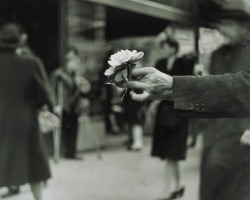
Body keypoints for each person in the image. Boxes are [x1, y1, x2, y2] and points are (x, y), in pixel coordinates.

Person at [0, 23, 56, 200]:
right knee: (34, 164)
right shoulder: (32, 63)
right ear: (20, 41)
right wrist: (52, 107)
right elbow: (45, 92)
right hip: (26, 119)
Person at [150, 37, 196, 200]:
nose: (162, 50)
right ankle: (177, 186)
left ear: (173, 48)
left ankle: (169, 189)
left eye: (165, 47)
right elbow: (154, 85)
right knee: (170, 153)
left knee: (172, 152)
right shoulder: (161, 63)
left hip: (178, 112)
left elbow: (187, 84)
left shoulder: (184, 62)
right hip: (165, 113)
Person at [51, 46, 91, 159]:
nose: (76, 63)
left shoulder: (76, 75)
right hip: (63, 104)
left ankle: (71, 152)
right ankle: (64, 151)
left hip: (74, 104)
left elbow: (85, 89)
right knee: (66, 127)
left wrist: (82, 85)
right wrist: (55, 105)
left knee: (74, 127)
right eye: (73, 61)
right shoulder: (58, 74)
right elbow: (52, 90)